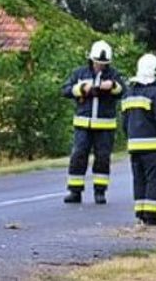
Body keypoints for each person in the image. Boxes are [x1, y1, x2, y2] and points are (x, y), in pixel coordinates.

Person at [60, 40, 124, 204]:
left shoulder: (113, 75)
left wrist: (112, 86)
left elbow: (123, 90)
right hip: (83, 125)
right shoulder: (80, 73)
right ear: (91, 59)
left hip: (105, 126)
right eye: (98, 63)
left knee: (102, 158)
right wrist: (81, 89)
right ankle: (75, 191)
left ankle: (100, 192)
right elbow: (65, 90)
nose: (100, 66)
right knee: (78, 156)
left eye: (103, 64)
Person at [123, 54, 156, 226]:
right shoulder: (154, 93)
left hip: (134, 146)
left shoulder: (128, 94)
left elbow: (124, 122)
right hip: (154, 147)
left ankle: (141, 212)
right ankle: (153, 215)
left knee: (139, 179)